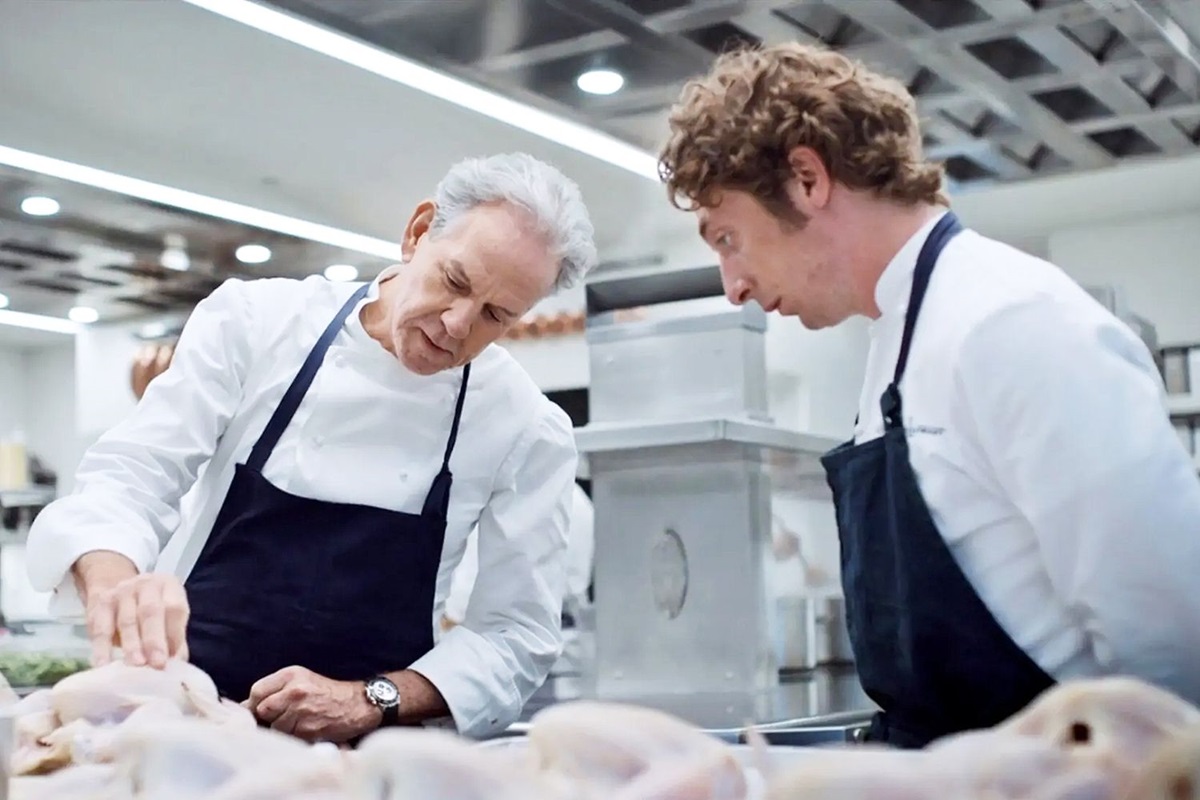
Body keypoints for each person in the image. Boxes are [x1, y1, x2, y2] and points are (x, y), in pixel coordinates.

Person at [658, 42, 1200, 748]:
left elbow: (1171, 648)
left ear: (806, 178)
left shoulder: (1014, 322)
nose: (734, 286)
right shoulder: (896, 340)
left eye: (728, 237)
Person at [25, 152, 597, 743]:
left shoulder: (524, 425)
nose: (457, 324)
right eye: (455, 281)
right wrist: (120, 584)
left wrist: (372, 698)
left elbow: (514, 636)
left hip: (369, 756)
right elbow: (131, 476)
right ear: (418, 231)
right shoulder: (257, 323)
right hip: (189, 722)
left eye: (495, 315)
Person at [442, 482, 593, 630]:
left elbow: (466, 596)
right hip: (571, 628)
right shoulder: (578, 497)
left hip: (506, 632)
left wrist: (448, 623)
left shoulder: (505, 500)